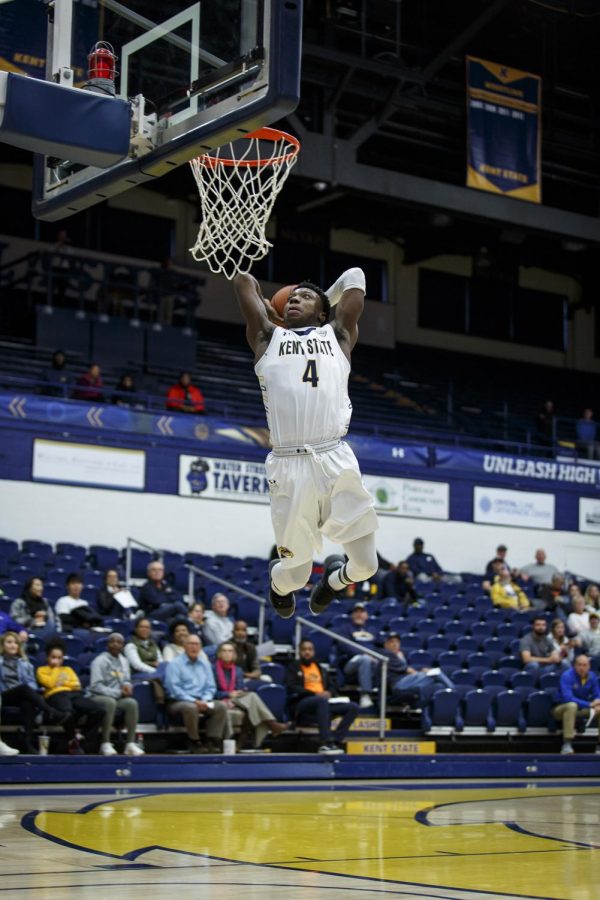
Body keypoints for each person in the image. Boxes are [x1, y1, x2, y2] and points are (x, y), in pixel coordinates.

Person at [233, 269, 379, 620]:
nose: (296, 298)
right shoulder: (267, 337)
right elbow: (241, 281)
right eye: (292, 296)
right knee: (294, 576)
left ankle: (334, 581)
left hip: (334, 457)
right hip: (289, 465)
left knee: (365, 566)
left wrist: (324, 296)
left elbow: (357, 275)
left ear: (324, 312)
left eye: (305, 297)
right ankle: (276, 583)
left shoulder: (339, 335)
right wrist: (275, 312)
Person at [285, 638, 359, 754]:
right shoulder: (293, 667)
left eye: (310, 649)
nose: (307, 652)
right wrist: (315, 694)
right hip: (303, 702)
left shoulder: (320, 668)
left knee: (353, 707)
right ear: (299, 652)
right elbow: (292, 687)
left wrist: (329, 692)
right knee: (321, 701)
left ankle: (336, 741)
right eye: (304, 649)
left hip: (322, 702)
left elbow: (331, 686)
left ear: (314, 652)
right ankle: (326, 742)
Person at [0, 632, 68, 754]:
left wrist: (27, 691)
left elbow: (32, 683)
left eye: (15, 643)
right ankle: (51, 712)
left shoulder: (25, 664)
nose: (13, 645)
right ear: (2, 645)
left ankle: (28, 743)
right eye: (9, 642)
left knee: (28, 702)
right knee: (24, 689)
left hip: (21, 695)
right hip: (3, 695)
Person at [212, 641, 289, 748]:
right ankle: (272, 724)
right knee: (252, 697)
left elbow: (240, 688)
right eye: (224, 651)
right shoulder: (213, 669)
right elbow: (211, 692)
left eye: (230, 651)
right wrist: (228, 694)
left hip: (237, 698)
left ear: (234, 654)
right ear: (219, 654)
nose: (226, 653)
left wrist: (239, 692)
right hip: (221, 699)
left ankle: (241, 741)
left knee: (251, 703)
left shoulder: (238, 670)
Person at [163, 633, 231, 753]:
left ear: (200, 647)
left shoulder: (205, 664)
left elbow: (211, 687)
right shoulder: (175, 664)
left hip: (202, 699)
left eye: (197, 644)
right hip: (178, 701)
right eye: (191, 644)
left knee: (220, 706)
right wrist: (195, 701)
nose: (194, 647)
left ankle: (212, 740)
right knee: (191, 707)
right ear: (184, 646)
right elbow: (175, 689)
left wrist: (205, 700)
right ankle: (194, 741)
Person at [36, 640, 104, 754]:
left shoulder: (68, 669)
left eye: (60, 658)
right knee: (68, 712)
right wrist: (56, 669)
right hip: (54, 695)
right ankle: (72, 741)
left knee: (99, 710)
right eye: (54, 657)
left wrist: (62, 683)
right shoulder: (42, 670)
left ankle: (83, 737)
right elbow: (49, 684)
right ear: (48, 657)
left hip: (73, 694)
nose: (57, 660)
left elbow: (76, 685)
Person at [87, 633, 144, 756]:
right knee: (110, 702)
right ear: (107, 645)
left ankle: (130, 744)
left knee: (131, 703)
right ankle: (105, 743)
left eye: (119, 642)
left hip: (117, 696)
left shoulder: (124, 661)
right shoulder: (99, 661)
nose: (115, 644)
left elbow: (126, 679)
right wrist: (118, 692)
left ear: (122, 646)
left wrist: (128, 686)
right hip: (96, 696)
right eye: (112, 641)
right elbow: (95, 686)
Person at [380, 632, 454, 707]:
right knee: (436, 673)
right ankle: (454, 692)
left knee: (438, 685)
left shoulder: (397, 655)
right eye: (392, 642)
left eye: (397, 642)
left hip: (405, 682)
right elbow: (407, 670)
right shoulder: (387, 654)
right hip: (398, 683)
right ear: (385, 644)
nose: (395, 644)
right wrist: (422, 673)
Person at [552, 655, 600, 754]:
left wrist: (597, 702)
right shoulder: (567, 676)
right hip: (561, 709)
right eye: (579, 665)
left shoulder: (592, 677)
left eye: (584, 665)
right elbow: (567, 698)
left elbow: (597, 694)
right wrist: (590, 704)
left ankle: (599, 746)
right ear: (574, 666)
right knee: (571, 705)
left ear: (589, 666)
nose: (582, 668)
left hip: (581, 710)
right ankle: (567, 743)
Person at [334, 602, 378, 709]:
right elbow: (344, 645)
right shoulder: (345, 628)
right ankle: (365, 695)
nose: (359, 614)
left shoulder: (373, 630)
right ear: (352, 615)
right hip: (351, 664)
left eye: (362, 612)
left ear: (366, 615)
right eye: (356, 612)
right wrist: (365, 653)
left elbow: (382, 645)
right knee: (365, 659)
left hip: (372, 663)